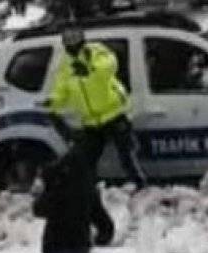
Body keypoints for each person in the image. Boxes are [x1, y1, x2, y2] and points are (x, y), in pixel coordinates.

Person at [43, 25, 147, 189]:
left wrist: (91, 69)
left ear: (82, 37)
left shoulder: (95, 51)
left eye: (75, 36)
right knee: (87, 158)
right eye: (68, 38)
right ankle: (92, 188)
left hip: (113, 113)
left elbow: (110, 65)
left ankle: (140, 185)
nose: (72, 41)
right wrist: (52, 102)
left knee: (126, 154)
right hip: (91, 121)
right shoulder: (65, 64)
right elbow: (61, 90)